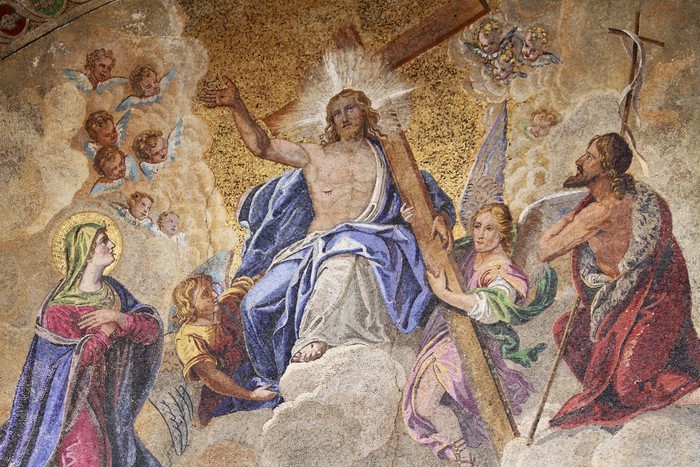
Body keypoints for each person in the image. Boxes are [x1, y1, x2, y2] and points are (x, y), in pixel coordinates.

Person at [200, 77, 455, 385]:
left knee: (341, 260)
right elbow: (262, 146)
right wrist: (236, 105)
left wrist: (441, 215)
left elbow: (425, 191)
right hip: (311, 246)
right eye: (337, 113)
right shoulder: (315, 155)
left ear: (365, 112)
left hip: (360, 241)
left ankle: (315, 336)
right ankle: (273, 379)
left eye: (350, 109)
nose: (344, 117)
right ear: (331, 121)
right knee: (255, 304)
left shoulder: (388, 159)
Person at [538, 132, 700, 429]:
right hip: (621, 304)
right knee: (567, 330)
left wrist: (562, 222)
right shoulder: (622, 198)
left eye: (589, 157)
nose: (579, 162)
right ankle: (611, 395)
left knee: (630, 387)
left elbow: (545, 251)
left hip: (650, 304)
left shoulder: (601, 211)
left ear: (606, 169)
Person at [0, 222, 163, 466]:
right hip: (73, 403)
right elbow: (72, 362)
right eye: (103, 241)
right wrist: (106, 332)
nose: (112, 245)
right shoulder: (58, 308)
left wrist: (119, 317)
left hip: (111, 400)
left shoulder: (115, 294)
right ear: (86, 253)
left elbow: (151, 331)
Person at [402, 203, 551, 462]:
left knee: (426, 405)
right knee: (422, 407)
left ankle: (463, 457)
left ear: (502, 234)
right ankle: (464, 457)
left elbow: (491, 308)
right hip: (444, 336)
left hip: (469, 343)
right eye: (477, 226)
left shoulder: (504, 271)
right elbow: (434, 256)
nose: (480, 235)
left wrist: (444, 294)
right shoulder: (468, 250)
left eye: (489, 229)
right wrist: (412, 223)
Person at [173, 274, 277, 425]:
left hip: (253, 374)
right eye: (205, 294)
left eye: (212, 289)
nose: (215, 295)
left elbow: (243, 286)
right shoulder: (189, 337)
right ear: (189, 304)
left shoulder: (226, 308)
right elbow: (212, 377)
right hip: (227, 397)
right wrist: (252, 395)